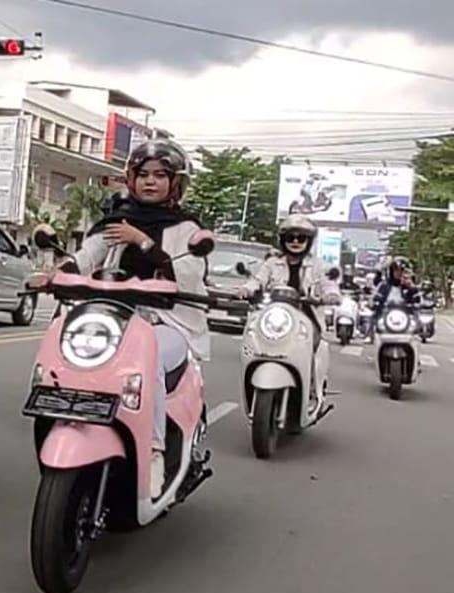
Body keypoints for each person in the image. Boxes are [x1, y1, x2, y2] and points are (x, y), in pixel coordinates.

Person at [49, 140, 209, 497]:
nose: (150, 181)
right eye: (143, 174)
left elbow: (188, 274)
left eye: (160, 175)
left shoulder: (185, 229)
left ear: (175, 183)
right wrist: (56, 273)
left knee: (147, 358)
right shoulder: (116, 222)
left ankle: (153, 451)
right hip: (112, 317)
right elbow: (87, 256)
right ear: (131, 179)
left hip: (166, 322)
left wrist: (142, 242)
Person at [238, 215, 340, 405]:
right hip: (274, 315)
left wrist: (330, 295)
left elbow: (329, 285)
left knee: (312, 344)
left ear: (308, 241)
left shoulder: (319, 266)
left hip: (306, 318)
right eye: (290, 237)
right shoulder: (272, 263)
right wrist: (246, 289)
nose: (295, 241)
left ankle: (310, 387)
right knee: (253, 337)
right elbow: (258, 280)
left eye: (301, 238)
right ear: (282, 240)